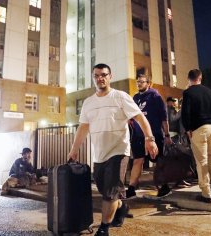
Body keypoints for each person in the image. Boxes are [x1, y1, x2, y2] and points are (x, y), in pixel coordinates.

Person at [67, 64, 158, 236]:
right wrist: (74, 149)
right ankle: (122, 207)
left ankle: (104, 228)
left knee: (110, 192)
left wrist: (150, 139)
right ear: (93, 77)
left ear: (110, 76)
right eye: (96, 75)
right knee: (106, 189)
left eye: (103, 75)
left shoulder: (120, 97)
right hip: (99, 153)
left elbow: (139, 117)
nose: (100, 78)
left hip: (119, 150)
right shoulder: (88, 103)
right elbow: (83, 128)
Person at [126, 74, 172, 199]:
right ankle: (131, 189)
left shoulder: (155, 96)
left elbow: (164, 118)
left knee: (158, 160)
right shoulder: (135, 98)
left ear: (148, 83)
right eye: (137, 82)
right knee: (137, 160)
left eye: (142, 82)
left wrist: (167, 135)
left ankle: (164, 186)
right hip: (138, 136)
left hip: (154, 134)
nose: (139, 84)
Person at [181, 69, 211, 203]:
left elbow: (185, 112)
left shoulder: (188, 93)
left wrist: (187, 128)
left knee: (201, 161)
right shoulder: (209, 91)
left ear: (188, 79)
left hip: (198, 129)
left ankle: (206, 193)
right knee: (210, 155)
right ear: (200, 77)